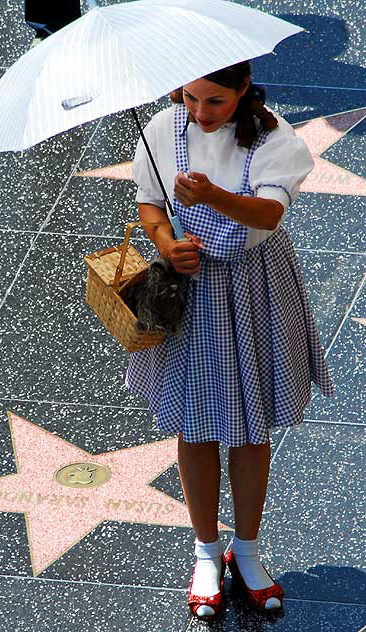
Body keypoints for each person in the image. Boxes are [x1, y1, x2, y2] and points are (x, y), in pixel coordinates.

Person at [125, 60, 335, 621]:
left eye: (214, 101)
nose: (199, 112)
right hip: (193, 292)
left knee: (249, 426)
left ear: (243, 91)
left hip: (253, 287)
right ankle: (205, 553)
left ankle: (246, 550)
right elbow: (149, 204)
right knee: (194, 426)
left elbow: (269, 211)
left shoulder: (275, 138)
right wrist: (167, 244)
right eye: (191, 99)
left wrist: (212, 195)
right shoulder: (161, 130)